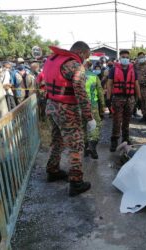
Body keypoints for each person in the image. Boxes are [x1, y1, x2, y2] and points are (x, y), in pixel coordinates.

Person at [44, 41, 95, 197]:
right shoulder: (75, 66)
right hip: (66, 110)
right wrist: (89, 117)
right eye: (87, 55)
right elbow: (81, 93)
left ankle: (52, 170)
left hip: (52, 105)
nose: (86, 59)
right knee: (76, 145)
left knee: (57, 140)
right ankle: (76, 182)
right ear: (81, 52)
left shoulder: (52, 59)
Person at [106, 50, 141, 152]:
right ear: (120, 58)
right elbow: (109, 84)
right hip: (118, 98)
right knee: (117, 120)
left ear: (129, 58)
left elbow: (136, 85)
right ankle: (114, 141)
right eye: (123, 57)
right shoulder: (113, 70)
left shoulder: (133, 70)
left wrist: (139, 98)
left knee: (127, 120)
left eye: (126, 57)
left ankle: (125, 139)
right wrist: (108, 98)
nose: (125, 58)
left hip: (130, 98)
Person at [83, 60, 105, 159]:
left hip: (78, 105)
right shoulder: (94, 76)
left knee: (82, 126)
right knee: (96, 125)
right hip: (92, 105)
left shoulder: (74, 76)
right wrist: (103, 106)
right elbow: (100, 93)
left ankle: (85, 148)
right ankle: (92, 144)